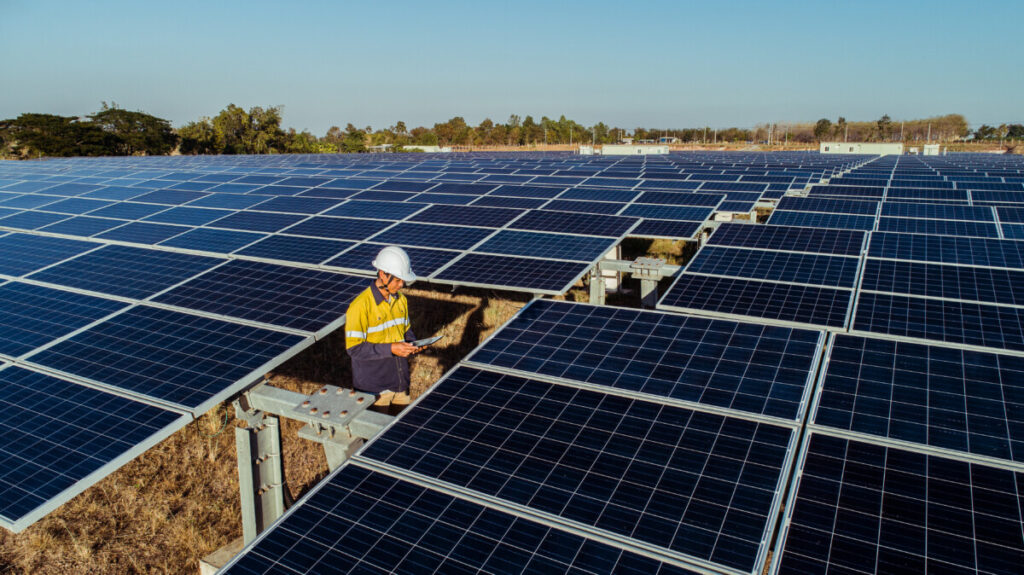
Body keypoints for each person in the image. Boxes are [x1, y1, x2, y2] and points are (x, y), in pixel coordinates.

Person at [345, 246, 421, 413]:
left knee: (399, 435)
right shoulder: (360, 306)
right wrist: (391, 348)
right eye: (397, 280)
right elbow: (354, 349)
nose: (401, 285)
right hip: (375, 390)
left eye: (403, 280)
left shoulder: (401, 300)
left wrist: (412, 344)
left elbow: (406, 331)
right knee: (376, 436)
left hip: (400, 384)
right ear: (382, 274)